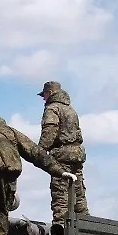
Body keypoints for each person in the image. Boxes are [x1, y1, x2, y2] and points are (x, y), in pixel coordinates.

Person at [38, 80, 89, 223]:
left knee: (60, 195)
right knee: (78, 194)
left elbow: (50, 130)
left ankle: (61, 229)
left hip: (61, 155)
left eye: (44, 94)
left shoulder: (52, 109)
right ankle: (85, 227)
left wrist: (40, 150)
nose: (43, 98)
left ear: (50, 93)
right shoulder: (70, 109)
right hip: (76, 154)